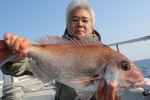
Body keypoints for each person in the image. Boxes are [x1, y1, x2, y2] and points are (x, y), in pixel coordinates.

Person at [1, 0, 119, 100]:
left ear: (92, 27)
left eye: (85, 20)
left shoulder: (109, 55)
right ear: (67, 26)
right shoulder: (54, 50)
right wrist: (15, 60)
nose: (80, 24)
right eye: (74, 20)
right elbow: (25, 67)